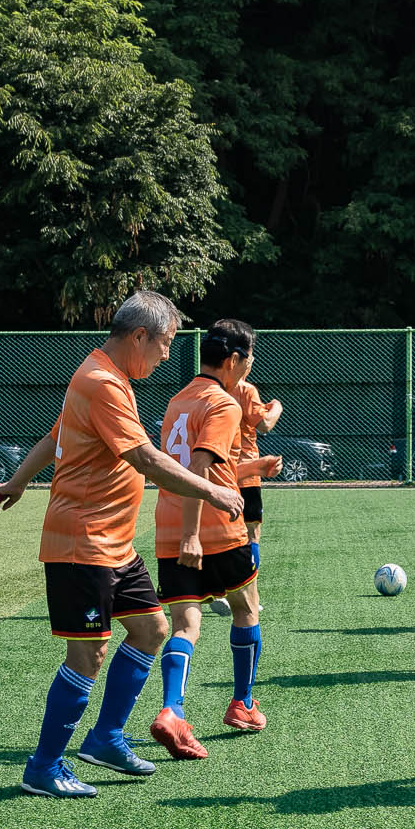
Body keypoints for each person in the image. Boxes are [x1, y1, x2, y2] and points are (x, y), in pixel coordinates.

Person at [0, 292, 244, 799]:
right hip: (82, 542)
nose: (168, 356)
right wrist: (214, 489)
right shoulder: (102, 382)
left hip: (115, 545)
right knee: (88, 655)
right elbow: (145, 459)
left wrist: (17, 480)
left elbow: (54, 436)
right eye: (166, 344)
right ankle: (43, 766)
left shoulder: (106, 376)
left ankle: (105, 738)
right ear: (139, 336)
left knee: (152, 629)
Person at [148, 321, 263, 758]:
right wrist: (194, 535)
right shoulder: (224, 402)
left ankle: (172, 710)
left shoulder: (179, 400)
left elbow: (203, 465)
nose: (247, 371)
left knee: (185, 625)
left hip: (166, 526)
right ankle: (242, 704)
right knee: (245, 608)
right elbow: (199, 470)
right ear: (233, 360)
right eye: (248, 362)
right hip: (213, 528)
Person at [219, 372, 283, 615]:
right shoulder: (245, 390)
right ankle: (248, 596)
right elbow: (265, 424)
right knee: (251, 534)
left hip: (219, 470)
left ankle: (218, 591)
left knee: (219, 532)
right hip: (247, 470)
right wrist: (277, 406)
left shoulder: (208, 388)